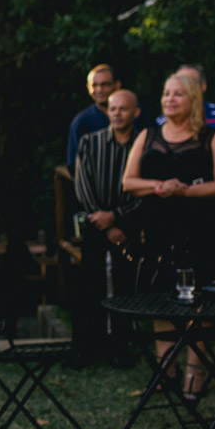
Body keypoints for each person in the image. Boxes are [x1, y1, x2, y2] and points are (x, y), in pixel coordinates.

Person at [123, 71, 215, 400]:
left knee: (197, 304)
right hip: (158, 232)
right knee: (160, 301)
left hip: (201, 232)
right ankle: (165, 370)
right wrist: (160, 187)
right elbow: (129, 182)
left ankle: (195, 375)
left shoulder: (212, 137)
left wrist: (185, 192)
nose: (169, 99)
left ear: (193, 100)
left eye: (177, 94)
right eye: (166, 93)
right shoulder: (147, 135)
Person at [69, 89, 142, 369]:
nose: (117, 113)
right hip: (94, 225)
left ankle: (121, 347)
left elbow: (144, 192)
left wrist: (117, 218)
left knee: (125, 287)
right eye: (112, 108)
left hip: (127, 227)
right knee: (89, 286)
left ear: (135, 112)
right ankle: (86, 347)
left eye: (123, 108)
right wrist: (102, 219)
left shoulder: (143, 145)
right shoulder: (90, 142)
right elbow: (82, 183)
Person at [157, 64, 215, 175]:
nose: (182, 84)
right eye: (178, 80)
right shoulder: (163, 120)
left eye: (189, 82)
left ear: (203, 86)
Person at [67, 64, 122, 171]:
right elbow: (74, 165)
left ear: (117, 84)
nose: (99, 90)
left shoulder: (135, 111)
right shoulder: (81, 121)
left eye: (105, 84)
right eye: (94, 85)